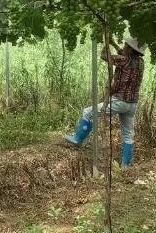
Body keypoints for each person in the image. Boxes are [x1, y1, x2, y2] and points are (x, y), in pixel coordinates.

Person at [63, 37, 146, 168]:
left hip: (120, 101)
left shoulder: (123, 60)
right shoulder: (140, 62)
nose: (123, 47)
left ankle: (77, 139)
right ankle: (126, 165)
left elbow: (104, 56)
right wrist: (113, 42)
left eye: (125, 46)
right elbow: (122, 54)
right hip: (132, 104)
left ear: (130, 49)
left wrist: (106, 43)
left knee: (88, 113)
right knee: (128, 134)